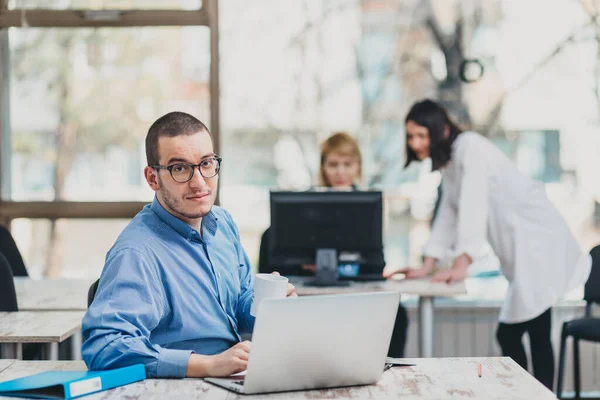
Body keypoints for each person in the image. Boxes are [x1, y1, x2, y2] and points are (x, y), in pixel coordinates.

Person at [385, 99, 591, 389]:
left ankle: (533, 393)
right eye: (410, 136)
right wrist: (427, 265)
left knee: (527, 332)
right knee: (524, 331)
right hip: (525, 248)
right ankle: (528, 392)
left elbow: (473, 202)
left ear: (442, 130)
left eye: (421, 134)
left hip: (540, 241)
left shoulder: (470, 147)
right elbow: (449, 212)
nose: (415, 142)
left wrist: (462, 263)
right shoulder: (452, 163)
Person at [81, 112, 297, 379]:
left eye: (206, 163)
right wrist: (206, 365)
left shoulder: (221, 221)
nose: (199, 183)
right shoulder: (136, 252)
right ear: (152, 178)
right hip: (180, 388)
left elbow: (237, 304)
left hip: (237, 378)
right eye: (180, 168)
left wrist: (267, 305)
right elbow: (105, 347)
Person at [259, 131, 409, 357]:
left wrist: (339, 265)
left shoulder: (369, 208)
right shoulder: (304, 205)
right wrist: (304, 265)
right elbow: (274, 256)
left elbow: (376, 264)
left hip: (355, 295)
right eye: (333, 164)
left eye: (348, 164)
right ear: (323, 167)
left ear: (357, 166)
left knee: (399, 314)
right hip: (311, 295)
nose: (340, 172)